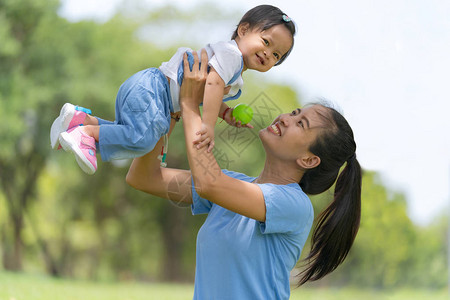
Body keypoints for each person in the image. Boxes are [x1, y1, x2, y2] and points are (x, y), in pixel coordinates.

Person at [126, 51, 362, 299]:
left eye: (301, 124)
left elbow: (209, 184)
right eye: (294, 113)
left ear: (309, 160)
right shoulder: (231, 184)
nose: (285, 119)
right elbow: (144, 177)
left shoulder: (294, 206)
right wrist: (170, 108)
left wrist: (189, 103)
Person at [49, 4, 296, 174]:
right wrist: (207, 125)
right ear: (243, 30)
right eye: (265, 42)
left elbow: (209, 90)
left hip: (150, 89)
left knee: (129, 132)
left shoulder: (231, 69)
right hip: (155, 93)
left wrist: (224, 113)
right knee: (142, 140)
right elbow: (212, 84)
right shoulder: (231, 56)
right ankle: (87, 135)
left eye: (276, 54)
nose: (267, 53)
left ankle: (82, 121)